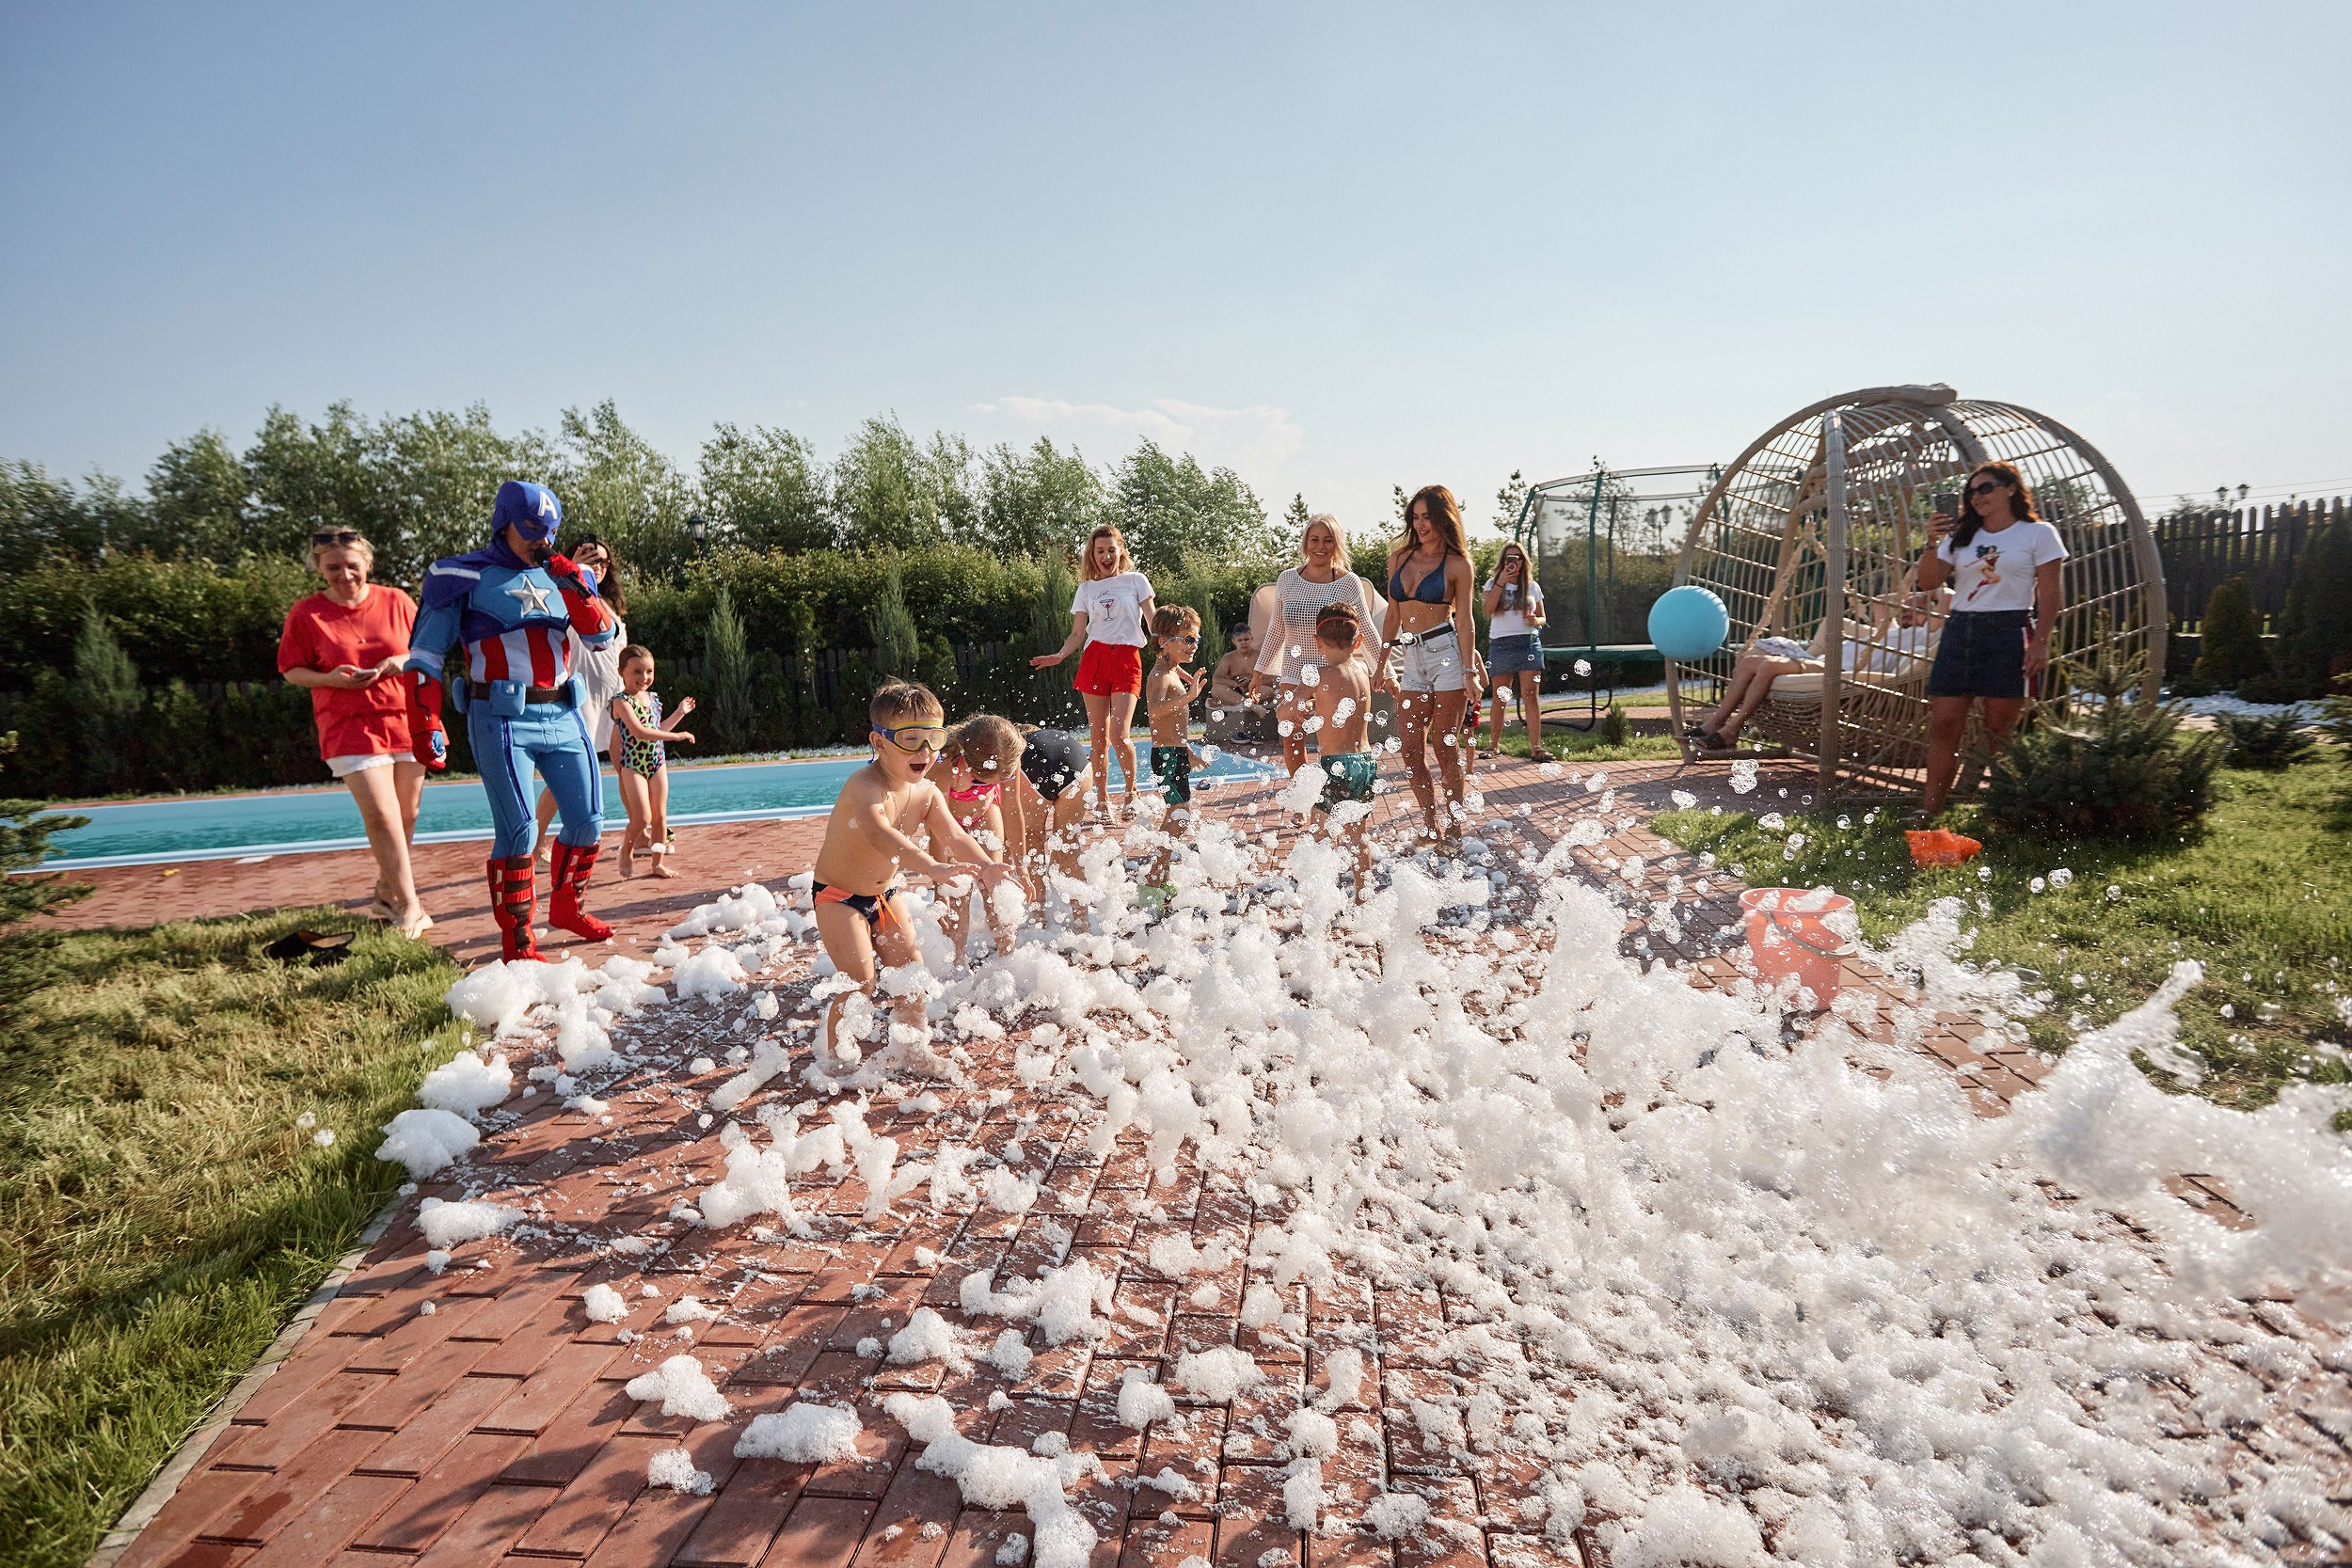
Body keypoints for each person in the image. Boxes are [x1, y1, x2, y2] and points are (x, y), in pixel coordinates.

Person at [405, 481, 617, 963]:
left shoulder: (570, 574)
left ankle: (567, 908)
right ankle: (518, 939)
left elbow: (602, 637)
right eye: (530, 529)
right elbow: (425, 656)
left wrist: (571, 580)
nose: (541, 538)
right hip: (501, 716)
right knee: (519, 827)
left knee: (588, 821)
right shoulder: (460, 574)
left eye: (548, 530)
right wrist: (425, 718)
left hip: (565, 712)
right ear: (504, 523)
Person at [808, 681, 1010, 1069]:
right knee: (860, 979)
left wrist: (987, 866)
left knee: (911, 973)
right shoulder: (863, 787)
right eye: (910, 739)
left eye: (933, 738)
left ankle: (913, 1050)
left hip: (883, 895)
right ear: (879, 742)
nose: (925, 751)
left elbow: (953, 834)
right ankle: (835, 1060)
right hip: (838, 896)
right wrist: (932, 867)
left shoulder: (929, 792)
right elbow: (883, 837)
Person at [278, 529, 432, 939]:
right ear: (318, 568)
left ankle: (385, 891)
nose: (344, 575)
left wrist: (403, 660)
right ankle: (410, 905)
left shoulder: (397, 600)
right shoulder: (306, 614)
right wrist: (331, 679)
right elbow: (291, 669)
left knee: (407, 814)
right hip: (347, 724)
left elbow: (427, 649)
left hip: (405, 716)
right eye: (332, 568)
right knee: (382, 817)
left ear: (367, 564)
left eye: (352, 565)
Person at [1916, 462, 2069, 816]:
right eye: (1971, 492)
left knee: (1999, 728)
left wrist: (2041, 641)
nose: (1976, 497)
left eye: (1985, 488)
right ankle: (1930, 811)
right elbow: (1927, 583)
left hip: (2009, 631)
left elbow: (2049, 593)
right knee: (1944, 724)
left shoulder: (2038, 534)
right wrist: (1931, 541)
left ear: (2011, 489)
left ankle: (2003, 809)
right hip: (1961, 630)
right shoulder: (1961, 537)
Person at [1694, 591, 1945, 750]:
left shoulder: (1921, 637)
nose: (1906, 613)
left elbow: (1948, 599)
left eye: (1915, 610)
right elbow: (1881, 601)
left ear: (1931, 612)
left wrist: (1932, 592)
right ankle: (1717, 721)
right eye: (1905, 609)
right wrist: (1913, 595)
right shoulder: (1889, 631)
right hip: (1823, 660)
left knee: (1770, 665)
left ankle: (1732, 730)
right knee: (1750, 660)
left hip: (1842, 669)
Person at [1377, 485, 1485, 845]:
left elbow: (1466, 620)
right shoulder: (1399, 558)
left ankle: (1453, 828)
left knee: (1444, 745)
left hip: (1446, 654)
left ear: (1444, 517)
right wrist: (1381, 663)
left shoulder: (1458, 564)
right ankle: (1428, 825)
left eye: (1428, 516)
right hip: (1411, 657)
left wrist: (1469, 670)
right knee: (1409, 749)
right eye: (1416, 517)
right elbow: (1393, 614)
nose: (1420, 524)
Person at [1030, 526, 1154, 819]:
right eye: (1100, 551)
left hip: (1127, 658)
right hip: (1095, 659)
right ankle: (1102, 799)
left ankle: (1131, 792)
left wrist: (1170, 657)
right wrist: (1060, 655)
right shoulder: (1086, 589)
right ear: (1093, 554)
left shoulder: (1136, 581)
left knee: (1120, 734)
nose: (1106, 555)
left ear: (1120, 550)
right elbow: (1077, 633)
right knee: (1099, 737)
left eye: (1111, 549)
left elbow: (1154, 624)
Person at [1252, 515, 1385, 778]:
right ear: (1305, 543)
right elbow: (1276, 629)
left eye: (1328, 540)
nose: (1320, 546)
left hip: (1334, 672)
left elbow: (1367, 628)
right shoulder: (1287, 579)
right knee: (1292, 738)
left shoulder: (1349, 581)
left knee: (1338, 740)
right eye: (1314, 539)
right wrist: (1259, 672)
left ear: (1337, 544)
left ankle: (1339, 792)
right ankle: (1303, 800)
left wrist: (1385, 670)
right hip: (1294, 669)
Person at [534, 535, 628, 862]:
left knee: (627, 766)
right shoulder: (566, 594)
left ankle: (639, 834)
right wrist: (574, 570)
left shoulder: (611, 607)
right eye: (589, 558)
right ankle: (537, 841)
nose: (597, 567)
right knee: (568, 773)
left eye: (602, 561)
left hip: (613, 697)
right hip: (580, 697)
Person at [938, 715, 1027, 960]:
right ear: (967, 761)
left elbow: (1012, 809)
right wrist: (939, 885)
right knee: (958, 898)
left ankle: (1009, 960)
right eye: (983, 780)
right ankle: (956, 963)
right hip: (950, 826)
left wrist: (1021, 864)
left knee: (997, 888)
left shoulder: (1008, 759)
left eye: (1004, 778)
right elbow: (936, 827)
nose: (1000, 782)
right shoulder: (948, 765)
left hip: (986, 814)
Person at [609, 645, 697, 878]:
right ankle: (626, 850)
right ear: (621, 672)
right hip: (633, 765)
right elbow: (640, 732)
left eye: (649, 671)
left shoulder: (653, 699)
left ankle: (657, 864)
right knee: (642, 818)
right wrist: (678, 737)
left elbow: (659, 728)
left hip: (657, 762)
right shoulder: (621, 702)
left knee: (659, 818)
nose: (644, 677)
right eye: (637, 671)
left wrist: (679, 713)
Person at [1309, 601, 1378, 895]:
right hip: (1364, 761)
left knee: (1319, 834)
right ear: (1358, 641)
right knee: (1357, 835)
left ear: (1317, 642)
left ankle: (1321, 897)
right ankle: (1364, 895)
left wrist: (1295, 708)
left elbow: (1286, 711)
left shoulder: (1319, 675)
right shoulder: (1362, 668)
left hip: (1334, 764)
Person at [1141, 605, 1206, 901]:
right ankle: (1152, 883)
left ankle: (1160, 878)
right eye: (1188, 639)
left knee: (1176, 817)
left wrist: (1188, 750)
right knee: (1179, 818)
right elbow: (1155, 712)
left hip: (1174, 753)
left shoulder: (1171, 673)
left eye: (1196, 639)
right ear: (1165, 641)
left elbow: (1173, 726)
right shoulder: (1160, 675)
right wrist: (1189, 697)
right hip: (1166, 756)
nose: (1194, 645)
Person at [1481, 541, 1552, 763]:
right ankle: (1494, 746)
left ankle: (1536, 748)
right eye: (1509, 558)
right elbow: (1487, 610)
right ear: (1503, 562)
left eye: (1517, 557)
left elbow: (1543, 618)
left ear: (1523, 561)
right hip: (1501, 643)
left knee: (1531, 694)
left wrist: (1536, 620)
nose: (1514, 562)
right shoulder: (1492, 583)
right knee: (1501, 696)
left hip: (1529, 642)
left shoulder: (1532, 586)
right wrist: (1501, 582)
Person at [1012, 725, 1090, 889]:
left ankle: (1039, 910)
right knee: (1067, 841)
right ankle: (1081, 913)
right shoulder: (1060, 736)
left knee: (1032, 838)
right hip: (1079, 764)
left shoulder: (1024, 747)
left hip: (1032, 765)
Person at [1208, 624, 1272, 741]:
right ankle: (1252, 706)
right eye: (1240, 640)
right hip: (1235, 692)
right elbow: (1216, 680)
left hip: (1253, 691)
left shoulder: (1259, 656)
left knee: (1269, 691)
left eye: (1246, 639)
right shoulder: (1228, 658)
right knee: (1216, 689)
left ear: (1251, 639)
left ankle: (1247, 704)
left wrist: (1252, 680)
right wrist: (1236, 684)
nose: (1243, 643)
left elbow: (1270, 679)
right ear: (1234, 641)